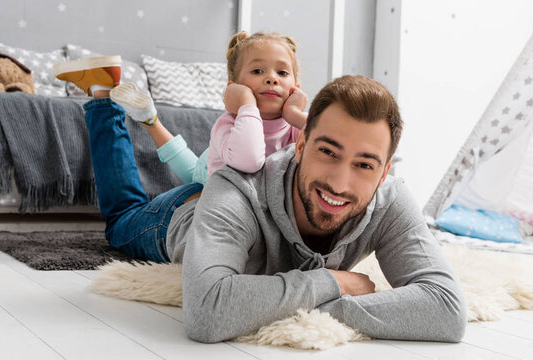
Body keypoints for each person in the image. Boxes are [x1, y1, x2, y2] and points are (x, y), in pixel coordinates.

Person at [53, 56, 467, 342]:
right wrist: (332, 281)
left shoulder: (391, 198)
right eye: (328, 151)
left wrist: (328, 306)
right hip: (179, 217)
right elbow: (207, 312)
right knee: (122, 218)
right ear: (301, 144)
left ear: (384, 172)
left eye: (364, 165)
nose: (340, 183)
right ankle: (103, 101)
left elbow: (446, 309)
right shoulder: (236, 187)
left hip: (225, 209)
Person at [53, 31, 308, 185]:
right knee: (192, 172)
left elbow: (333, 143)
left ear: (295, 86)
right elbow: (250, 161)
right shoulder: (228, 124)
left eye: (282, 72)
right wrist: (246, 104)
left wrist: (297, 116)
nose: (272, 78)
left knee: (188, 164)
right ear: (234, 87)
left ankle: (148, 117)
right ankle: (149, 119)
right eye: (257, 70)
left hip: (218, 173)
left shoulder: (296, 128)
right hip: (208, 174)